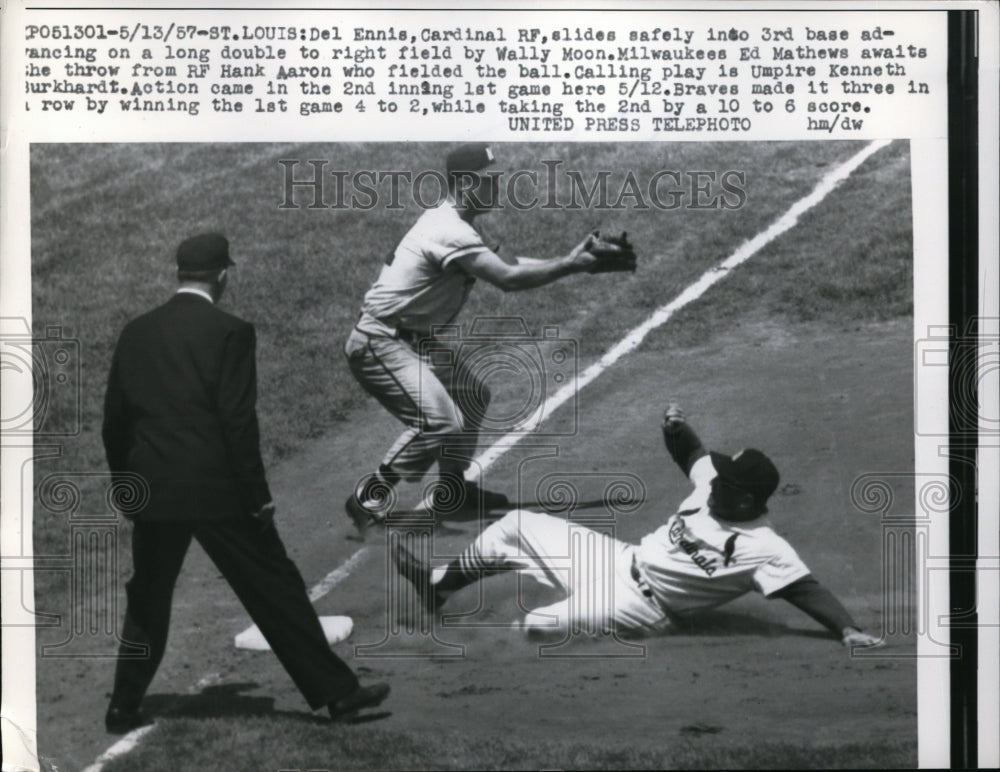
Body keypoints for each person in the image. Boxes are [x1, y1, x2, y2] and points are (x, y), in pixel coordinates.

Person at [102, 233, 389, 734]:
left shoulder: (136, 332)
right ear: (222, 275)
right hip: (219, 492)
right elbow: (237, 423)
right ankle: (339, 695)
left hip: (154, 492)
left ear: (180, 273)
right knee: (274, 587)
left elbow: (114, 423)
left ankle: (123, 705)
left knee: (148, 597)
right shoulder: (230, 331)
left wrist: (128, 489)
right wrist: (257, 497)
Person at [392, 402, 885, 650]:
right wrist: (675, 427)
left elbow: (807, 590)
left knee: (541, 625)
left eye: (726, 481)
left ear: (747, 497)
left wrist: (847, 629)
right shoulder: (715, 482)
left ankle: (486, 651)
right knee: (516, 524)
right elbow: (691, 453)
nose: (714, 480)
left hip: (644, 607)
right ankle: (439, 588)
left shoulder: (764, 548)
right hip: (620, 558)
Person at [343, 143, 610, 531]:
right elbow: (507, 279)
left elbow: (510, 264)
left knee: (472, 395)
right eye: (490, 179)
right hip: (379, 341)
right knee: (441, 422)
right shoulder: (448, 230)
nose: (498, 185)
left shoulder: (462, 222)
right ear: (466, 184)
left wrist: (574, 264)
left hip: (410, 339)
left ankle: (453, 491)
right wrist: (569, 266)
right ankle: (368, 497)